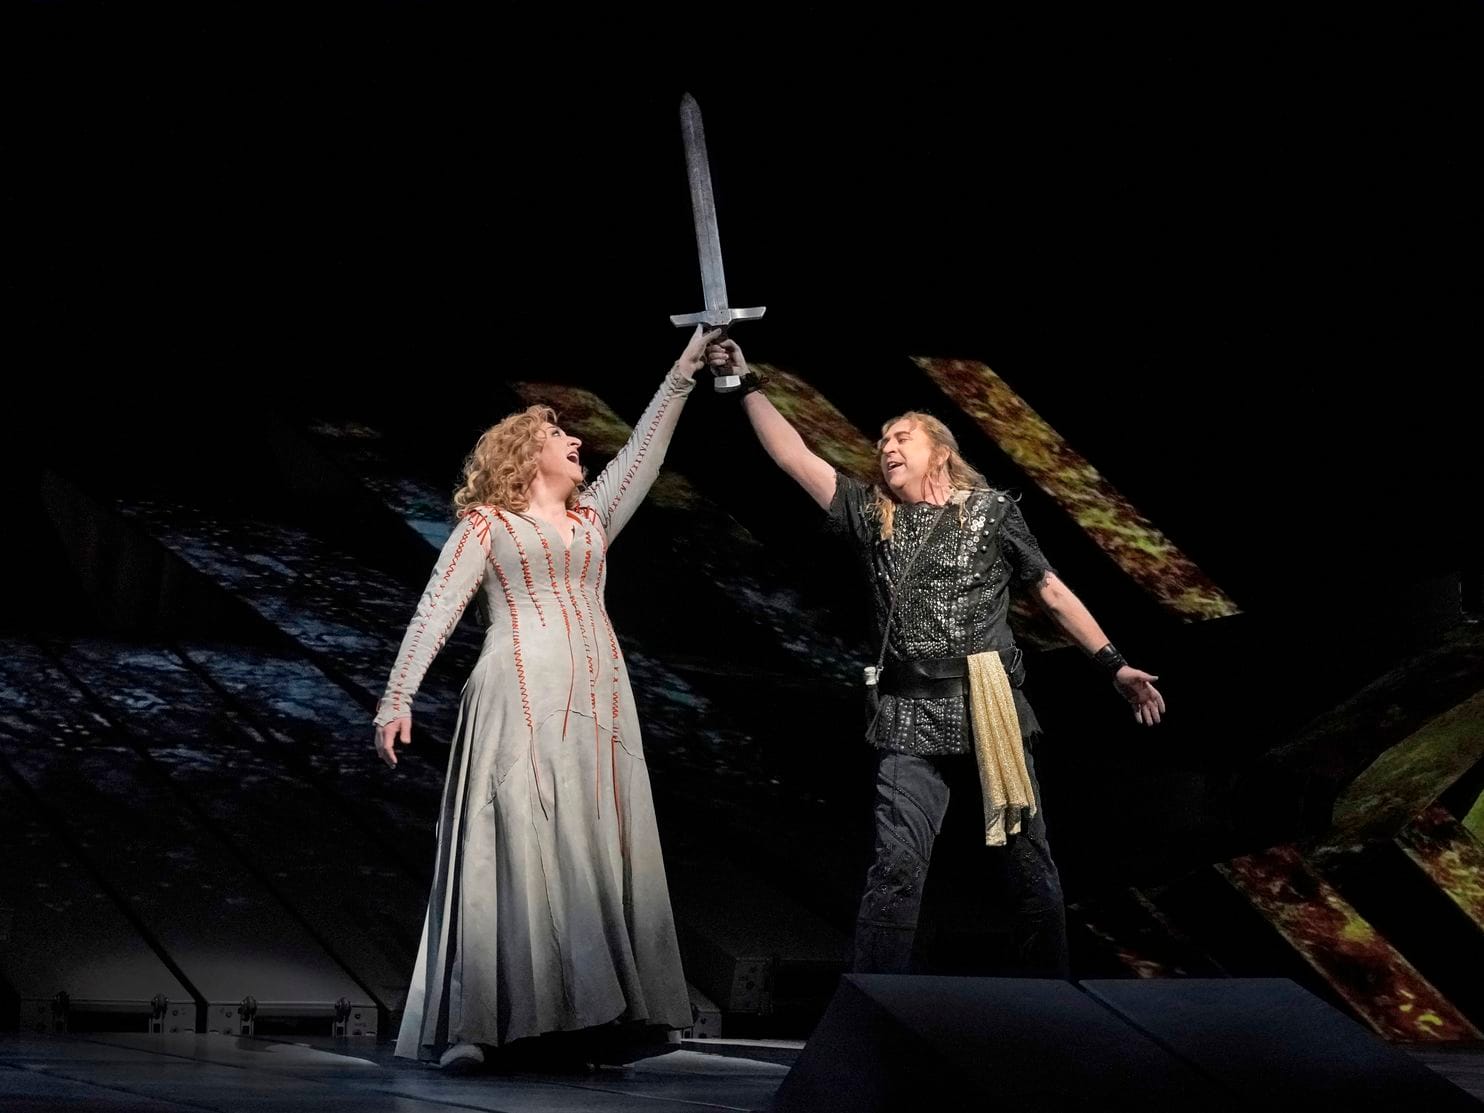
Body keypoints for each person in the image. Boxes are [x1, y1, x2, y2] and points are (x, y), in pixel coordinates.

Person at [716, 337, 1165, 977]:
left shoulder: (991, 513)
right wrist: (746, 381)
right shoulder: (873, 515)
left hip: (990, 704)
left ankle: (1054, 996)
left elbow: (1052, 592)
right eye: (882, 441)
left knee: (1026, 856)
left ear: (941, 453)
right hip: (907, 709)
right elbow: (795, 457)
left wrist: (1113, 664)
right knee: (896, 863)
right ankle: (873, 998)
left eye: (901, 437)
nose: (887, 447)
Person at [373, 326, 721, 1068]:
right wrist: (396, 695)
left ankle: (591, 1020)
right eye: (557, 433)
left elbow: (644, 451)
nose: (575, 442)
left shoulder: (592, 518)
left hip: (599, 700)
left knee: (590, 849)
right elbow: (437, 606)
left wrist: (685, 367)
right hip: (521, 691)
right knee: (514, 844)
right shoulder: (487, 525)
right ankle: (479, 1023)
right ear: (524, 454)